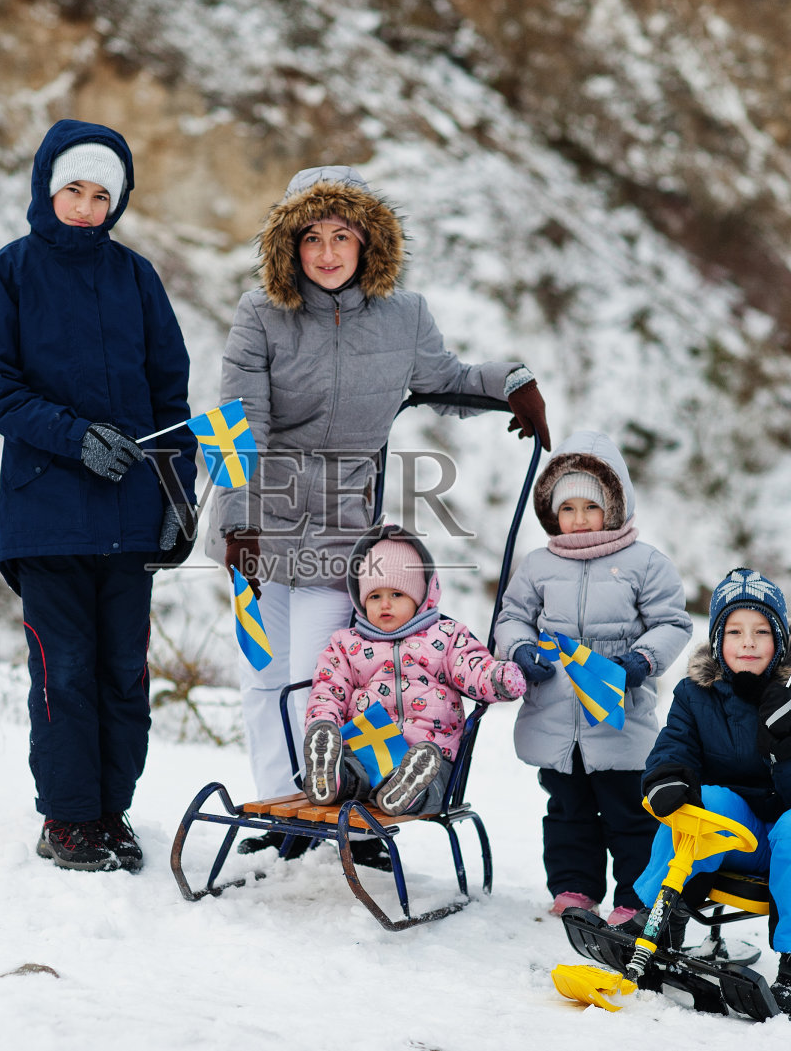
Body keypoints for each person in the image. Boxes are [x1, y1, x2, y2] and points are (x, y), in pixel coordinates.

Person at [210, 165, 552, 854]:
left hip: (341, 534)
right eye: (312, 237)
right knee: (264, 680)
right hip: (262, 522)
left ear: (369, 242)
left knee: (322, 679)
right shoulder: (262, 314)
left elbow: (444, 380)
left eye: (343, 235)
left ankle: (336, 801)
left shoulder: (405, 314)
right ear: (290, 246)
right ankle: (284, 815)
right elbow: (239, 424)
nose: (328, 252)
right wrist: (238, 525)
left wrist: (510, 383)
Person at [0, 119, 197, 874]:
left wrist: (177, 498)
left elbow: (171, 398)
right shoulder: (4, 276)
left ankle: (111, 813)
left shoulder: (137, 279)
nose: (88, 208)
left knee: (123, 671)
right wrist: (72, 435)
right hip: (46, 515)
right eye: (75, 191)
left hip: (130, 517)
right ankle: (67, 819)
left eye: (103, 195)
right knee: (65, 671)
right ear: (46, 188)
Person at [632, 567, 791, 1020]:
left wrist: (790, 744)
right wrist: (667, 779)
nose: (747, 643)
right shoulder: (695, 694)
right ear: (718, 640)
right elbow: (673, 748)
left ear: (779, 641)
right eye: (735, 631)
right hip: (738, 838)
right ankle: (658, 922)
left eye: (761, 631)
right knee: (707, 801)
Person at [493, 429, 692, 924]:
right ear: (552, 514)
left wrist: (641, 661)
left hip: (618, 710)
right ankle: (575, 891)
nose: (579, 520)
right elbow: (511, 615)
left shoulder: (644, 563)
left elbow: (672, 622)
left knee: (630, 814)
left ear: (615, 506)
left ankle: (633, 898)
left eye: (590, 507)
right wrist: (519, 649)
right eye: (568, 509)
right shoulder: (539, 564)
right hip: (557, 712)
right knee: (567, 811)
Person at [303, 526, 526, 834]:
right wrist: (322, 723)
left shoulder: (446, 638)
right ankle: (332, 777)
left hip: (431, 754)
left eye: (397, 594)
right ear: (360, 599)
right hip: (371, 749)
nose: (385, 604)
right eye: (375, 595)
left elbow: (473, 668)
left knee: (432, 784)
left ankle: (409, 789)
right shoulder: (347, 644)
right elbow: (328, 690)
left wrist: (498, 677)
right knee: (356, 770)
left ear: (421, 595)